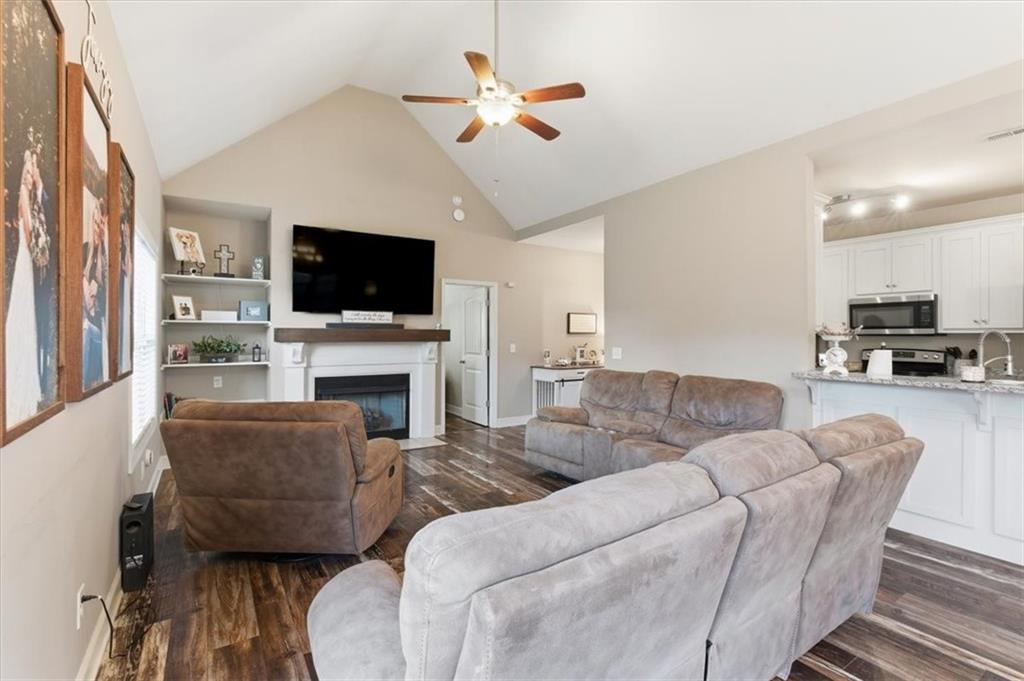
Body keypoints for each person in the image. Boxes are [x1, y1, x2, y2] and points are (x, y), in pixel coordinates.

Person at [5, 142, 44, 423]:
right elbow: (30, 238)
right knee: (21, 321)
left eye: (34, 168)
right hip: (23, 264)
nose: (32, 173)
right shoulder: (22, 197)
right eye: (30, 168)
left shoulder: (30, 199)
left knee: (27, 323)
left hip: (27, 266)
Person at [81, 196, 107, 390]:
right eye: (96, 223)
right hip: (85, 316)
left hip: (98, 318)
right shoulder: (85, 251)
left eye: (101, 224)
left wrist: (97, 289)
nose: (98, 228)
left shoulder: (105, 258)